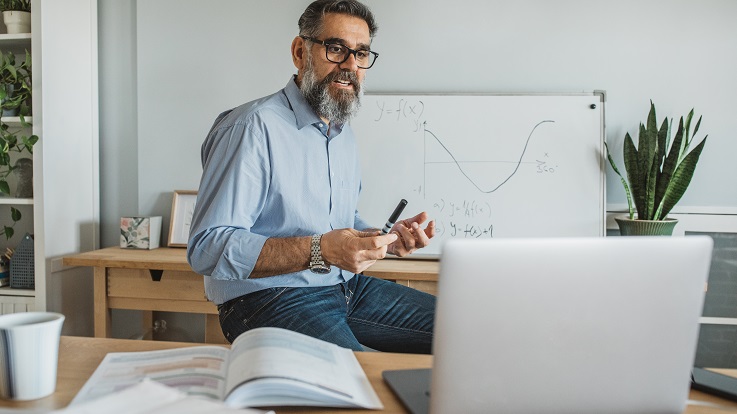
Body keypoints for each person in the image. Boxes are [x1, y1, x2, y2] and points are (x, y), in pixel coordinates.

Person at [187, 0, 436, 354]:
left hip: (346, 288)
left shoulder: (341, 132)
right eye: (336, 49)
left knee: (464, 330)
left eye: (361, 54)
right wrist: (321, 250)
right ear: (300, 51)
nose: (350, 65)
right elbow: (207, 248)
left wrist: (386, 240)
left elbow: (340, 222)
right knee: (359, 379)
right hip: (266, 297)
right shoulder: (250, 128)